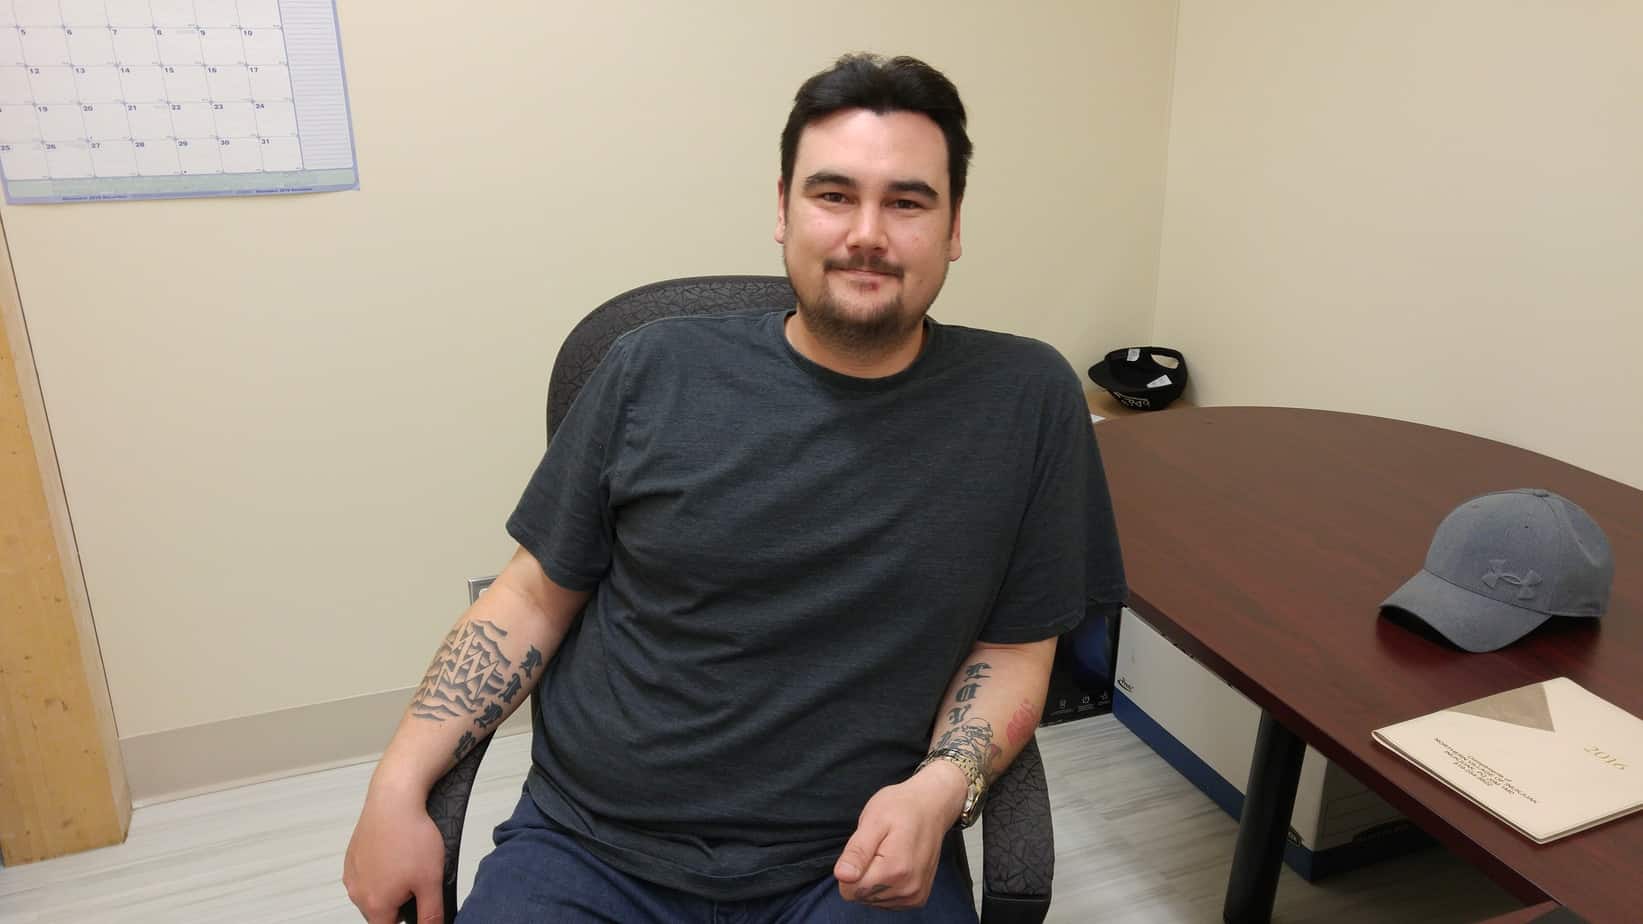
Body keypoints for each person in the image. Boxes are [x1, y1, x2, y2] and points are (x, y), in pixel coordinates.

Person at [344, 52, 1125, 923]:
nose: (867, 231)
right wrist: (397, 784)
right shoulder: (654, 367)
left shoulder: (1024, 398)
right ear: (782, 212)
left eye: (906, 201)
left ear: (951, 229)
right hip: (594, 846)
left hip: (856, 859)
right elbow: (530, 594)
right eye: (833, 195)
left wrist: (940, 792)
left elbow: (1018, 648)